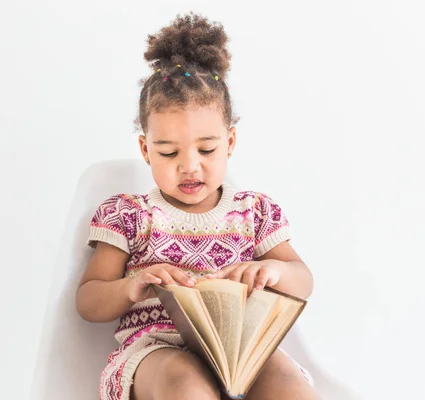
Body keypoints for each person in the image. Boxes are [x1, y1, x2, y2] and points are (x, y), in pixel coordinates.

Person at [76, 12, 319, 400]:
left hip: (237, 349)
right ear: (145, 150)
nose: (190, 165)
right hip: (157, 351)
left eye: (207, 149)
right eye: (168, 152)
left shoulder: (253, 212)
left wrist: (270, 270)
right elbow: (89, 299)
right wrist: (132, 286)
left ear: (230, 143)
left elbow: (302, 280)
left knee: (289, 384)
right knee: (184, 382)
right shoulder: (129, 215)